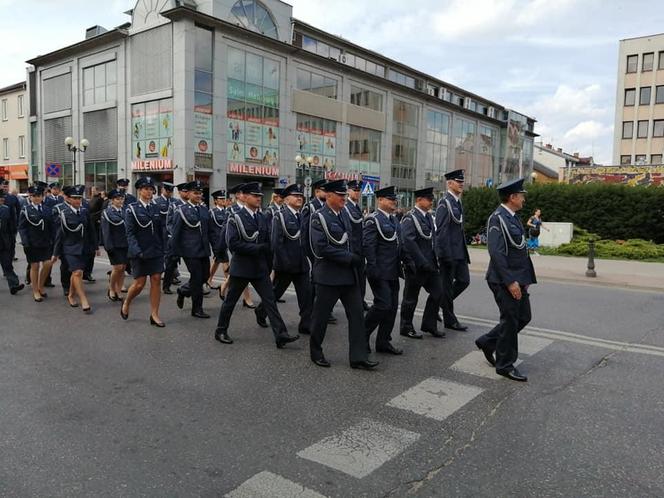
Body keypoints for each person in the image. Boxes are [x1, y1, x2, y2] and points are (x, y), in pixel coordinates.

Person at [214, 182, 299, 349]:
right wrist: (257, 248)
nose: (259, 198)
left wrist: (269, 265)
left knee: (270, 301)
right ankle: (221, 330)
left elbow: (268, 242)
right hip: (242, 267)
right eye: (255, 195)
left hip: (259, 268)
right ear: (245, 197)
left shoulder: (263, 217)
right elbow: (233, 244)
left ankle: (280, 334)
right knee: (230, 301)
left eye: (260, 196)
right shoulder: (235, 217)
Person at [309, 179, 378, 370]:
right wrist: (350, 258)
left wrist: (359, 258)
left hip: (349, 276)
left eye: (345, 195)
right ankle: (316, 351)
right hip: (328, 277)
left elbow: (352, 241)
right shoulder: (319, 217)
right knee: (320, 317)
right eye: (341, 195)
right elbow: (321, 248)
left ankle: (358, 357)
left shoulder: (343, 215)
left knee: (356, 317)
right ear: (329, 195)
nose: (344, 199)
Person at [475, 178, 536, 382]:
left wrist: (525, 278)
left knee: (523, 317)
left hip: (519, 278)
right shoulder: (497, 218)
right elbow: (497, 253)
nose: (524, 200)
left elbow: (520, 250)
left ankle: (487, 341)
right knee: (510, 321)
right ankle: (504, 364)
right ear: (512, 197)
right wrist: (510, 282)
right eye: (522, 196)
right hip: (504, 279)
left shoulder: (513, 217)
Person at [256, 183, 312, 335]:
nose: (300, 198)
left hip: (301, 264)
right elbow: (275, 243)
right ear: (286, 200)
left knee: (306, 295)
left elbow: (305, 240)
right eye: (296, 196)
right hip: (286, 264)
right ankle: (261, 311)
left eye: (301, 196)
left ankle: (305, 324)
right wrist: (284, 262)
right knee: (275, 293)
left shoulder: (301, 216)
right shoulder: (279, 216)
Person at [399, 187, 444, 339]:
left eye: (432, 199)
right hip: (416, 265)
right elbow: (408, 242)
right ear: (419, 200)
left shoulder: (429, 217)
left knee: (438, 292)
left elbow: (433, 240)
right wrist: (420, 261)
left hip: (430, 264)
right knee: (411, 298)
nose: (432, 202)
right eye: (429, 199)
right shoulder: (409, 218)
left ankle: (429, 324)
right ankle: (406, 326)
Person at [121, 177, 166, 327]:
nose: (149, 191)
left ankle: (154, 314)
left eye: (151, 188)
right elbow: (130, 233)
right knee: (140, 284)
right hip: (140, 251)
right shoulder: (131, 209)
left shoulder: (156, 208)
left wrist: (164, 248)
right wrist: (137, 251)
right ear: (139, 190)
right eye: (145, 188)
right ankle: (127, 301)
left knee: (156, 279)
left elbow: (161, 231)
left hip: (155, 250)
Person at [363, 186, 403, 355]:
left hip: (393, 270)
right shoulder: (373, 220)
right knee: (383, 304)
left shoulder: (394, 220)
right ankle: (362, 335)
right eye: (389, 199)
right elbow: (368, 246)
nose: (393, 202)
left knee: (392, 307)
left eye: (394, 199)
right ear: (380, 200)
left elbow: (399, 245)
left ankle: (383, 341)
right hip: (379, 271)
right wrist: (372, 268)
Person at [432, 169, 470, 332]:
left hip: (459, 252)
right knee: (446, 287)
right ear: (449, 183)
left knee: (464, 280)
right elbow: (441, 232)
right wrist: (444, 255)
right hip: (449, 254)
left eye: (462, 181)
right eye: (458, 181)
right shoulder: (444, 203)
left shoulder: (457, 202)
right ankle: (450, 319)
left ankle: (439, 304)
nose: (461, 184)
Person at [52, 185, 97, 313]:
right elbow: (59, 235)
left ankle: (71, 295)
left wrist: (95, 246)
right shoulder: (63, 214)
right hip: (70, 248)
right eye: (74, 198)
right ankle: (83, 299)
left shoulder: (84, 212)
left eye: (79, 198)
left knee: (77, 273)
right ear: (69, 199)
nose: (77, 200)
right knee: (77, 272)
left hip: (84, 248)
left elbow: (91, 230)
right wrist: (55, 253)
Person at [172, 180, 212, 319]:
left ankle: (183, 291)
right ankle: (197, 309)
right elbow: (176, 233)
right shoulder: (181, 211)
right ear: (188, 194)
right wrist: (174, 253)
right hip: (190, 251)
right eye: (195, 193)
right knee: (196, 278)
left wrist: (217, 248)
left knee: (205, 276)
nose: (199, 195)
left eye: (200, 193)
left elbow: (209, 230)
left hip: (203, 249)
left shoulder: (204, 209)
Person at [302, 178, 337, 324]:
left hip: (328, 252)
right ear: (317, 191)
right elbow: (305, 233)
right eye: (324, 190)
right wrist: (311, 254)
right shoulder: (310, 207)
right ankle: (313, 313)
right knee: (316, 283)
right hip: (315, 252)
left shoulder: (329, 207)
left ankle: (324, 311)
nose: (327, 193)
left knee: (324, 283)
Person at [218, 183, 255, 308]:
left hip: (250, 245)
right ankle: (247, 298)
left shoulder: (252, 207)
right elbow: (225, 230)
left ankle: (225, 285)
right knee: (243, 271)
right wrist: (221, 249)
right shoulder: (231, 210)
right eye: (244, 193)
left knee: (241, 271)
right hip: (237, 246)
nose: (247, 195)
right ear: (239, 195)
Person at [18, 184, 54, 302]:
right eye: (34, 196)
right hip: (32, 243)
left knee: (48, 263)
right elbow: (22, 228)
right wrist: (25, 242)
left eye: (39, 195)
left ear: (42, 196)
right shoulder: (26, 210)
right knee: (35, 266)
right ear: (30, 197)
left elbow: (51, 226)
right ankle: (35, 291)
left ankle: (41, 285)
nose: (37, 198)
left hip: (46, 242)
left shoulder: (48, 209)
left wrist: (53, 240)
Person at [101, 189, 128, 302]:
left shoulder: (126, 211)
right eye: (117, 199)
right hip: (114, 244)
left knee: (123, 268)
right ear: (112, 200)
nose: (120, 201)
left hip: (125, 243)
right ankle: (111, 288)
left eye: (122, 198)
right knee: (117, 267)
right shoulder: (107, 212)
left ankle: (119, 289)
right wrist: (108, 246)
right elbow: (105, 231)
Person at [344, 180, 368, 310]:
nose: (357, 193)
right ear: (348, 191)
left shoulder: (356, 207)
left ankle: (360, 301)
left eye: (359, 190)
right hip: (353, 250)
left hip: (360, 249)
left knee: (361, 278)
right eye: (355, 190)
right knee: (350, 279)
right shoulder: (347, 207)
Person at [162, 182, 187, 294]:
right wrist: (175, 234)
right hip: (175, 239)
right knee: (171, 263)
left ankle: (194, 286)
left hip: (189, 240)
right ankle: (166, 285)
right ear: (180, 192)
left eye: (188, 191)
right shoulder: (174, 204)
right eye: (184, 191)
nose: (186, 193)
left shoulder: (193, 205)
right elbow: (169, 223)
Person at [0, 188, 24, 295]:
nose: (1, 201)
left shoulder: (6, 210)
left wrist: (11, 241)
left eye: (2, 199)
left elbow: (12, 227)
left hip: (5, 242)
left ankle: (14, 285)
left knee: (7, 265)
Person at [207, 189, 229, 291]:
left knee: (216, 261)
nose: (222, 200)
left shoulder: (226, 211)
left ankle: (208, 279)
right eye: (220, 199)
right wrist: (212, 242)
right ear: (215, 201)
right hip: (217, 241)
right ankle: (228, 282)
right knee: (225, 262)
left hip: (224, 240)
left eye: (223, 198)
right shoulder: (212, 212)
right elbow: (210, 229)